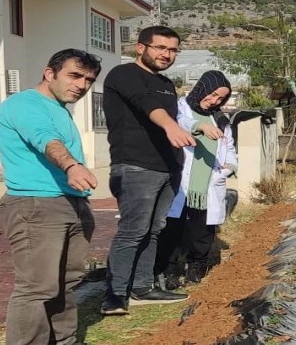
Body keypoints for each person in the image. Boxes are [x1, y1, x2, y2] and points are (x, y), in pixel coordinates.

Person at [0, 49, 101, 345]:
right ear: (49, 73)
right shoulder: (24, 104)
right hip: (36, 205)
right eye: (74, 75)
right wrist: (71, 165)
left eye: (89, 80)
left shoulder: (59, 108)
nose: (82, 85)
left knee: (67, 284)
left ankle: (65, 341)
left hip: (71, 202)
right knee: (36, 288)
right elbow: (44, 138)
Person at [100, 26, 196, 315]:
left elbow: (172, 114)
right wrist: (170, 126)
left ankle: (142, 286)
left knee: (154, 230)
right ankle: (115, 294)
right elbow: (146, 105)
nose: (167, 54)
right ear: (140, 48)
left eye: (173, 50)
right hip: (135, 165)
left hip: (167, 168)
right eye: (160, 48)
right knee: (133, 230)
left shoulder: (166, 83)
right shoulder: (124, 75)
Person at [155, 70, 238, 289]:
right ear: (202, 87)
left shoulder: (220, 119)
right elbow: (179, 122)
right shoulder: (180, 107)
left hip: (207, 182)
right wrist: (199, 126)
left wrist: (229, 167)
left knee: (202, 230)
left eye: (220, 99)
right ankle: (168, 270)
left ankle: (196, 266)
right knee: (172, 227)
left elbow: (229, 147)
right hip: (181, 179)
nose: (214, 101)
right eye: (212, 95)